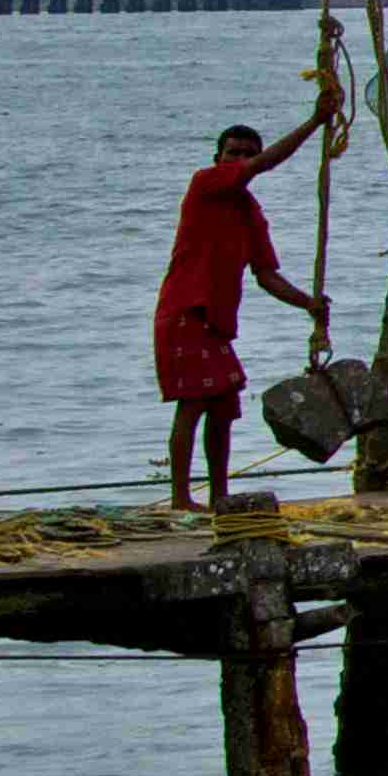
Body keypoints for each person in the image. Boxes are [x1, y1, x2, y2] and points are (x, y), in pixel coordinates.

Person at [154, 90, 334, 512]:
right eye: (232, 153)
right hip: (186, 311)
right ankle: (182, 498)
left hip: (214, 321)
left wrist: (308, 304)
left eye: (245, 153)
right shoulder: (205, 183)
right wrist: (314, 122)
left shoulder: (250, 212)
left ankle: (218, 495)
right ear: (218, 157)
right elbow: (265, 162)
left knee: (223, 405)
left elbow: (266, 275)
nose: (239, 160)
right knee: (194, 401)